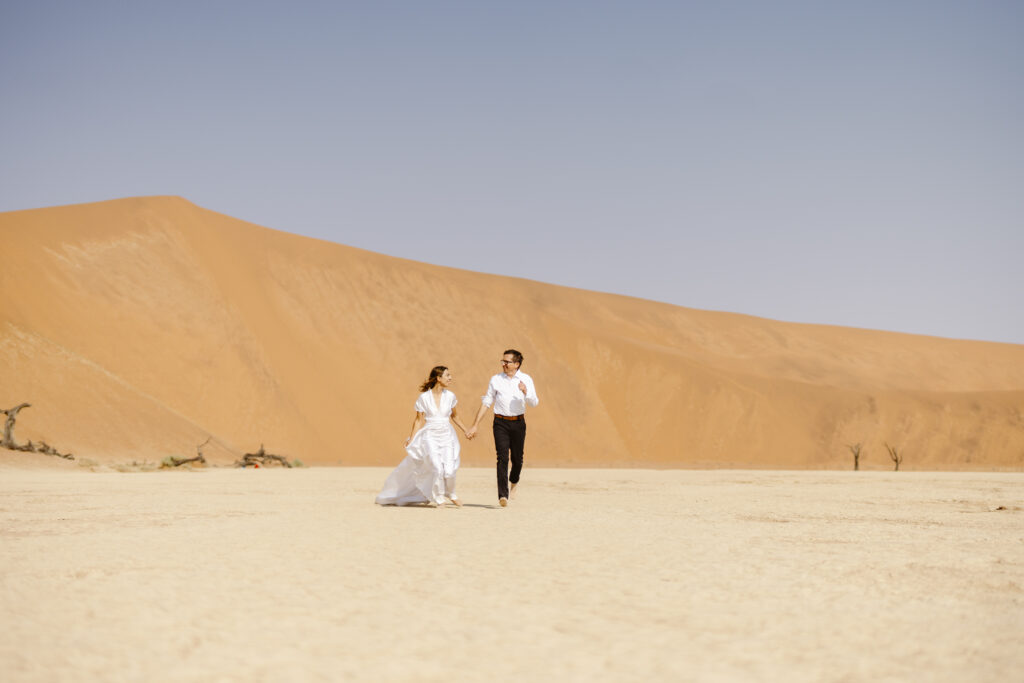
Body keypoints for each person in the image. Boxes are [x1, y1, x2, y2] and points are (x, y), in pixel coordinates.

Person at [376, 366, 469, 507]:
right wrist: (411, 438)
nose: (450, 378)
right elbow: (419, 420)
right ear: (438, 378)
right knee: (437, 467)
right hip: (430, 435)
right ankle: (439, 498)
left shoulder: (450, 396)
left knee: (449, 470)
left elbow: (454, 416)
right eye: (447, 375)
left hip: (447, 435)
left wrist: (466, 430)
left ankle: (451, 493)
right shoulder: (424, 398)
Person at [466, 349, 539, 507]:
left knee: (517, 459)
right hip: (500, 423)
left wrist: (526, 392)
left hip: (518, 423)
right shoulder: (496, 380)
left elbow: (534, 403)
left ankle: (514, 482)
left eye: (507, 362)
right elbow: (486, 402)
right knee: (502, 457)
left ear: (517, 364)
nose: (504, 364)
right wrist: (475, 425)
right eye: (503, 361)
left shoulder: (526, 379)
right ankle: (502, 495)